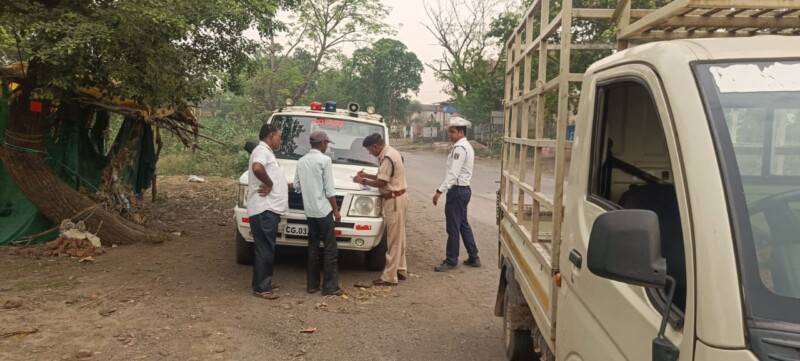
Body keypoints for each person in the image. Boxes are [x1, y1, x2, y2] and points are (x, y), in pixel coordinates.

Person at [352, 133, 408, 286]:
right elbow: (381, 175)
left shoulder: (388, 157)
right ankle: (401, 269)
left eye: (370, 150)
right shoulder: (390, 153)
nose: (370, 153)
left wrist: (362, 180)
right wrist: (367, 174)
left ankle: (389, 276)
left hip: (394, 199)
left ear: (376, 146)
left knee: (393, 239)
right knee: (400, 236)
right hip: (398, 197)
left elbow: (382, 182)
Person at [293, 131, 344, 296]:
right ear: (321, 143)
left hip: (310, 212)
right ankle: (329, 287)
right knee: (330, 249)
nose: (327, 146)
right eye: (327, 143)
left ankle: (312, 285)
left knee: (312, 247)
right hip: (323, 211)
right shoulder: (325, 160)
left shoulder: (301, 161)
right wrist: (336, 211)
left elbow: (297, 186)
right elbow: (329, 190)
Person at [432, 117, 480, 272]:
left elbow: (453, 174)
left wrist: (439, 191)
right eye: (449, 132)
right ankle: (473, 256)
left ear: (461, 132)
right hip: (464, 190)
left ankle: (451, 260)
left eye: (452, 132)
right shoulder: (466, 146)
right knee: (463, 224)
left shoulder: (460, 149)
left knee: (453, 227)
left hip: (457, 191)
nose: (450, 135)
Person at [248, 123, 289, 299]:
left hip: (268, 208)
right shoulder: (261, 151)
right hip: (265, 208)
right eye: (278, 136)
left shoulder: (266, 152)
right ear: (271, 135)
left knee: (265, 248)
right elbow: (257, 168)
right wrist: (271, 184)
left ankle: (262, 282)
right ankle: (263, 288)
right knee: (265, 248)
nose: (280, 139)